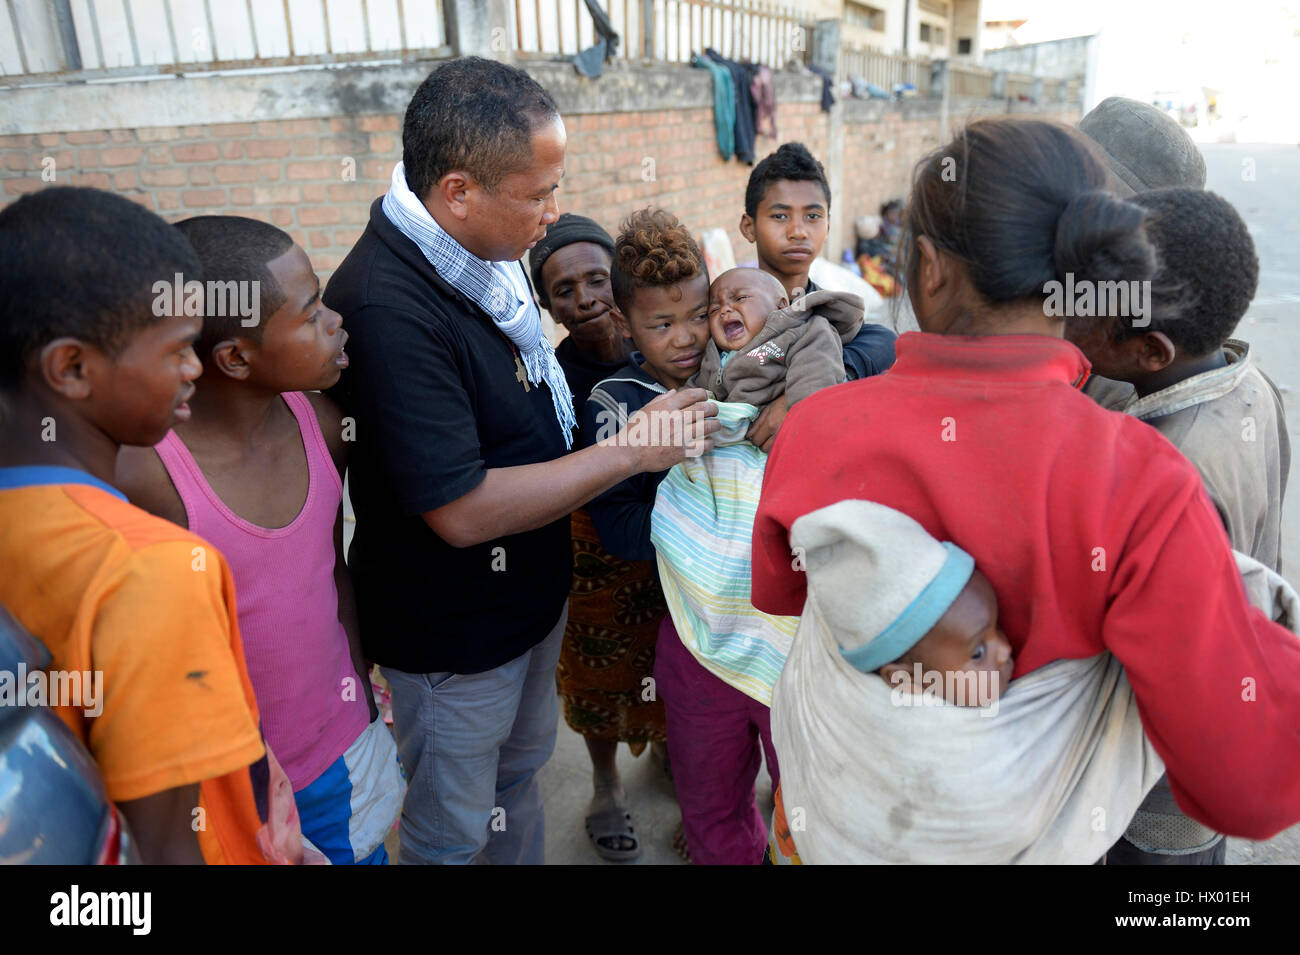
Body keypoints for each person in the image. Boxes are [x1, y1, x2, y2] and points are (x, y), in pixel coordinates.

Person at [751, 116, 1300, 850]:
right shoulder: (1141, 482)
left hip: (833, 828)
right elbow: (1250, 786)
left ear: (928, 268)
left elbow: (780, 592)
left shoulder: (817, 427)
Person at [323, 58, 717, 865]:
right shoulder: (387, 306)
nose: (554, 209)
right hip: (458, 641)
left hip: (528, 606)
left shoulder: (477, 255)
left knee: (515, 784)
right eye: (537, 194)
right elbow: (462, 509)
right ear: (459, 191)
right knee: (451, 830)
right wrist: (633, 449)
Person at [0, 187, 306, 865]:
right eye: (176, 350)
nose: (195, 369)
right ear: (72, 368)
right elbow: (169, 846)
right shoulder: (146, 567)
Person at [115, 215, 405, 865]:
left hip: (337, 750)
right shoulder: (147, 475)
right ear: (236, 357)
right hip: (228, 788)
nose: (335, 320)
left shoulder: (326, 425)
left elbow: (330, 574)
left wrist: (359, 694)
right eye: (310, 313)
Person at [1065, 187, 1288, 864]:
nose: (1064, 315)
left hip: (1161, 785)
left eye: (1086, 312)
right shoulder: (1254, 386)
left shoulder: (1167, 470)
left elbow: (1168, 660)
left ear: (1151, 351)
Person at [581, 208, 775, 865]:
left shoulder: (749, 366)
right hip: (694, 635)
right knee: (711, 797)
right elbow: (621, 528)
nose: (687, 337)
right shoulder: (617, 402)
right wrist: (667, 471)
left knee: (809, 788)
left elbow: (852, 348)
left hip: (783, 632)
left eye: (696, 313)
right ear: (625, 324)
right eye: (661, 325)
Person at [528, 213, 668, 862]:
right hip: (595, 559)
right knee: (597, 672)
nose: (583, 297)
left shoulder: (665, 342)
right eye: (563, 289)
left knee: (681, 662)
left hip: (675, 538)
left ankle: (681, 750)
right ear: (545, 304)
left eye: (595, 278)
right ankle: (606, 782)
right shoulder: (551, 378)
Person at [768, 502, 1013, 865]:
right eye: (978, 652)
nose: (1006, 650)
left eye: (997, 629)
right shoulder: (902, 755)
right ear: (904, 680)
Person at [738, 142, 896, 450]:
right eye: (780, 216)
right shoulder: (725, 310)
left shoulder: (830, 313)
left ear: (828, 223)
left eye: (812, 216)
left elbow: (885, 342)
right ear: (749, 226)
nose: (798, 231)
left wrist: (809, 392)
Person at [691, 267, 863, 407]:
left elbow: (816, 376)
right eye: (714, 310)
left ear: (780, 305)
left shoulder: (802, 333)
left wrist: (799, 415)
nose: (724, 310)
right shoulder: (713, 355)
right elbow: (693, 390)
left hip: (784, 433)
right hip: (727, 437)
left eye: (740, 298)